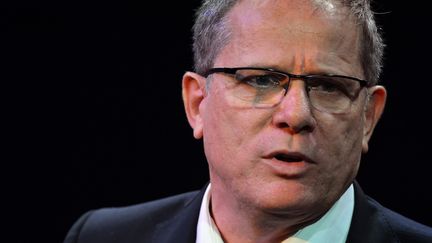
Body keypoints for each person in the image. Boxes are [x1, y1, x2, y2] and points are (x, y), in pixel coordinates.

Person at [64, 0, 432, 242]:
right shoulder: (100, 236)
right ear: (197, 103)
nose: (297, 115)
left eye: (327, 86)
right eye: (261, 80)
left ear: (368, 116)